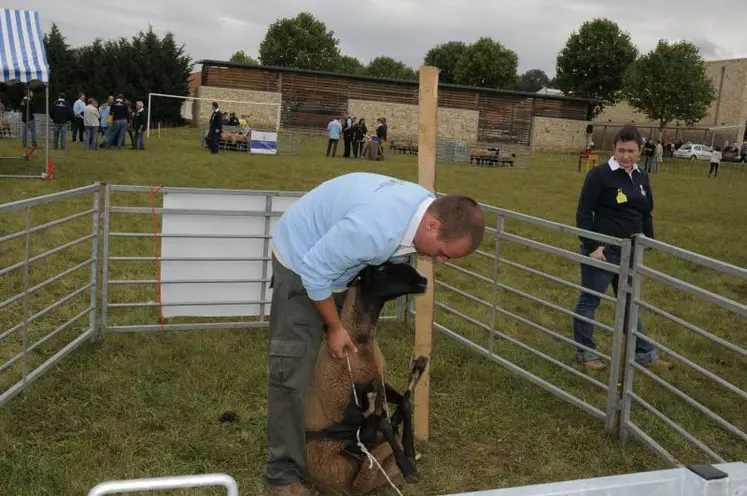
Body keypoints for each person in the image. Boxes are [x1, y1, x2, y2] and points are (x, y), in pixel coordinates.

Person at [262, 172, 485, 495]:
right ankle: (281, 474)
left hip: (336, 261)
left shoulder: (421, 208)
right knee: (291, 369)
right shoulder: (376, 229)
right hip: (300, 261)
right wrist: (335, 327)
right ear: (433, 225)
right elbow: (314, 271)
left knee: (332, 364)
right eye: (443, 252)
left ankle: (322, 442)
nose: (440, 260)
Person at [573, 124, 672, 372]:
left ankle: (644, 354)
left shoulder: (641, 176)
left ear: (640, 151)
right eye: (620, 150)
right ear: (614, 149)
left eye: (630, 150)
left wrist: (648, 239)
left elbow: (645, 211)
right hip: (604, 250)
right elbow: (584, 213)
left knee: (629, 302)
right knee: (590, 300)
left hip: (631, 251)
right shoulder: (599, 175)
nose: (625, 155)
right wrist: (593, 247)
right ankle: (586, 354)